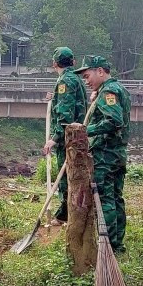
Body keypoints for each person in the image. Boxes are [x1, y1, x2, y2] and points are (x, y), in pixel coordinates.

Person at [74, 55, 131, 252]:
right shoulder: (117, 88)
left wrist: (85, 131)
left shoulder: (109, 91)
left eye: (87, 76)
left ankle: (108, 246)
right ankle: (117, 244)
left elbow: (114, 121)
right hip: (118, 153)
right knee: (116, 198)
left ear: (100, 71)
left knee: (105, 199)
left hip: (106, 154)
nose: (86, 81)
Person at [42, 47, 87, 225]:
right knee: (74, 174)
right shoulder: (75, 78)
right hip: (78, 136)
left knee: (67, 176)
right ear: (73, 62)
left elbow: (65, 115)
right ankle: (69, 212)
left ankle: (65, 214)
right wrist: (54, 98)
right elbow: (69, 102)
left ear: (54, 63)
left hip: (69, 139)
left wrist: (55, 139)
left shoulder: (65, 81)